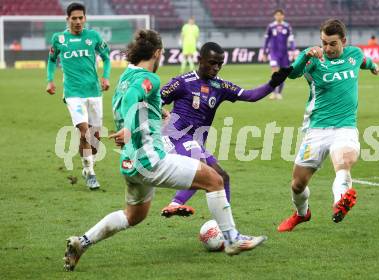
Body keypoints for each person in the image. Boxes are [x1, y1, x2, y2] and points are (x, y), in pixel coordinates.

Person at [63, 30, 268, 272]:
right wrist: (130, 129)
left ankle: (82, 242)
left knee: (133, 215)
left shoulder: (126, 75)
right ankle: (232, 239)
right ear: (158, 53)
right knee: (215, 179)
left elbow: (137, 99)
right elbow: (133, 98)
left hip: (130, 162)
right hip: (152, 160)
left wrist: (158, 114)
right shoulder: (150, 79)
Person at [160, 42, 292, 218]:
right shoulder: (182, 82)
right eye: (212, 62)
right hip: (174, 137)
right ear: (200, 60)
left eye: (220, 64)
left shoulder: (220, 86)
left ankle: (224, 226)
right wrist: (161, 112)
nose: (216, 68)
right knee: (202, 167)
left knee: (221, 177)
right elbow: (154, 100)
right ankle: (175, 204)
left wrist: (273, 83)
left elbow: (251, 96)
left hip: (194, 142)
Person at [277, 18, 379, 232]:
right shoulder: (314, 58)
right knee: (297, 184)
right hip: (316, 129)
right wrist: (306, 54)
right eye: (324, 42)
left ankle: (340, 202)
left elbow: (363, 61)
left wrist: (374, 66)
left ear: (343, 41)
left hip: (345, 127)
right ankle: (302, 214)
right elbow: (293, 73)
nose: (327, 48)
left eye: (332, 43)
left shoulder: (354, 54)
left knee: (343, 163)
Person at [46, 2, 111, 189]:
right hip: (73, 93)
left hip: (94, 92)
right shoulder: (58, 38)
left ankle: (87, 164)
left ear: (85, 18)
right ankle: (90, 172)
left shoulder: (93, 37)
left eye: (80, 18)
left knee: (95, 139)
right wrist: (50, 80)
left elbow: (107, 58)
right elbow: (51, 60)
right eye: (73, 18)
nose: (77, 21)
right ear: (67, 19)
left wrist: (105, 77)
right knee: (85, 132)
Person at [262, 9, 296, 100]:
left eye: (280, 15)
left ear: (283, 16)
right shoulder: (271, 26)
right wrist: (265, 52)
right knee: (274, 72)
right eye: (277, 15)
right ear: (274, 16)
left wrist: (293, 50)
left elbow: (292, 40)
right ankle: (273, 93)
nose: (278, 16)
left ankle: (279, 93)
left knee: (283, 74)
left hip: (284, 54)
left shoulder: (287, 26)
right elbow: (266, 40)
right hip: (273, 53)